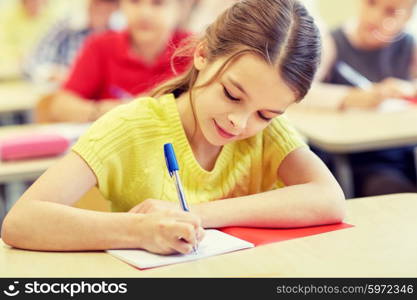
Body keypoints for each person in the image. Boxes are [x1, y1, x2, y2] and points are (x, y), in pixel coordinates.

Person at [1, 0, 346, 255]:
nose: (239, 122)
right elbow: (21, 221)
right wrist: (138, 231)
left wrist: (194, 214)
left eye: (266, 114)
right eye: (231, 94)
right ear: (202, 54)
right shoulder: (132, 125)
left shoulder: (269, 132)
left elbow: (329, 198)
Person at [302, 0, 417, 197]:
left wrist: (409, 89)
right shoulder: (331, 42)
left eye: (391, 12)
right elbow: (302, 92)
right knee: (390, 190)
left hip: (400, 154)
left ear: (407, 17)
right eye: (371, 3)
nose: (375, 16)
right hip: (357, 161)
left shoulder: (409, 45)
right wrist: (351, 98)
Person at [45, 0, 192, 123]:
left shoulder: (194, 51)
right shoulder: (100, 46)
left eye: (158, 3)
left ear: (180, 9)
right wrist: (113, 109)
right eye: (134, 1)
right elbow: (60, 106)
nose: (144, 13)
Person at [22, 0, 120, 84]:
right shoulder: (65, 27)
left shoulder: (119, 33)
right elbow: (31, 63)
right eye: (97, 5)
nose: (102, 11)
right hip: (64, 94)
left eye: (107, 8)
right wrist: (50, 73)